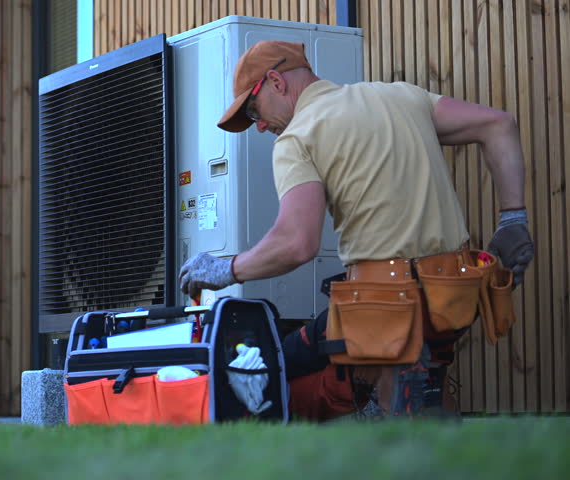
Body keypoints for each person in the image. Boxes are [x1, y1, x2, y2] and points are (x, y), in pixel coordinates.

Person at [178, 41, 534, 420]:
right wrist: (513, 221)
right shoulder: (400, 97)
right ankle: (421, 395)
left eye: (253, 109)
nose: (260, 124)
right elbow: (499, 124)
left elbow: (297, 243)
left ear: (275, 82)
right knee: (409, 376)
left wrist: (226, 269)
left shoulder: (298, 138)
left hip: (383, 304)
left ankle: (391, 403)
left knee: (281, 370)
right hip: (453, 297)